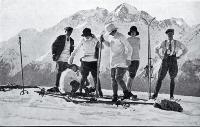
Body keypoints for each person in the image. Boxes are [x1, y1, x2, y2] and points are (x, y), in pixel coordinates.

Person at [151, 29, 188, 99]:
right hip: (165, 60)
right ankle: (155, 94)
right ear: (167, 35)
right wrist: (160, 56)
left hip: (173, 60)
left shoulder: (177, 43)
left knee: (172, 78)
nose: (170, 35)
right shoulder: (163, 43)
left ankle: (171, 96)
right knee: (160, 77)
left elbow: (185, 50)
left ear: (173, 34)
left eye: (171, 34)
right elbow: (155, 49)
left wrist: (180, 56)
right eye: (168, 34)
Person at [100, 23, 133, 102]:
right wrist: (104, 41)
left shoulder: (121, 36)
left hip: (121, 60)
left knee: (118, 78)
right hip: (113, 61)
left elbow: (129, 48)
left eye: (110, 32)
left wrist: (128, 59)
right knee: (113, 79)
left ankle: (126, 93)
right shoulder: (111, 37)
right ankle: (115, 95)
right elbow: (109, 45)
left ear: (113, 30)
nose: (110, 34)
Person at [68, 28, 103, 97]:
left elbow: (100, 46)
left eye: (87, 35)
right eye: (85, 35)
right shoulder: (82, 40)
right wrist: (72, 56)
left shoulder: (94, 40)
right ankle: (80, 90)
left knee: (95, 77)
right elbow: (76, 48)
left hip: (93, 61)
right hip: (85, 61)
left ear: (90, 35)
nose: (86, 37)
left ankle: (99, 91)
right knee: (83, 77)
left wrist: (97, 39)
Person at [47, 27, 74, 92]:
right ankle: (57, 86)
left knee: (65, 74)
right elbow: (53, 45)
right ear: (65, 31)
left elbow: (72, 49)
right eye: (68, 31)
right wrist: (54, 54)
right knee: (59, 72)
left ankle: (62, 87)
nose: (69, 33)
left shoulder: (72, 40)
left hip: (67, 59)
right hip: (60, 57)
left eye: (70, 32)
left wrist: (71, 57)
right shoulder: (60, 37)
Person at [126, 26, 140, 99]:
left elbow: (139, 48)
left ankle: (128, 91)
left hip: (137, 59)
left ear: (136, 33)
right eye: (132, 32)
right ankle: (127, 91)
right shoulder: (127, 40)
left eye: (134, 32)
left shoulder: (138, 39)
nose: (133, 33)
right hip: (130, 59)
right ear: (130, 33)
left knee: (132, 76)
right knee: (130, 75)